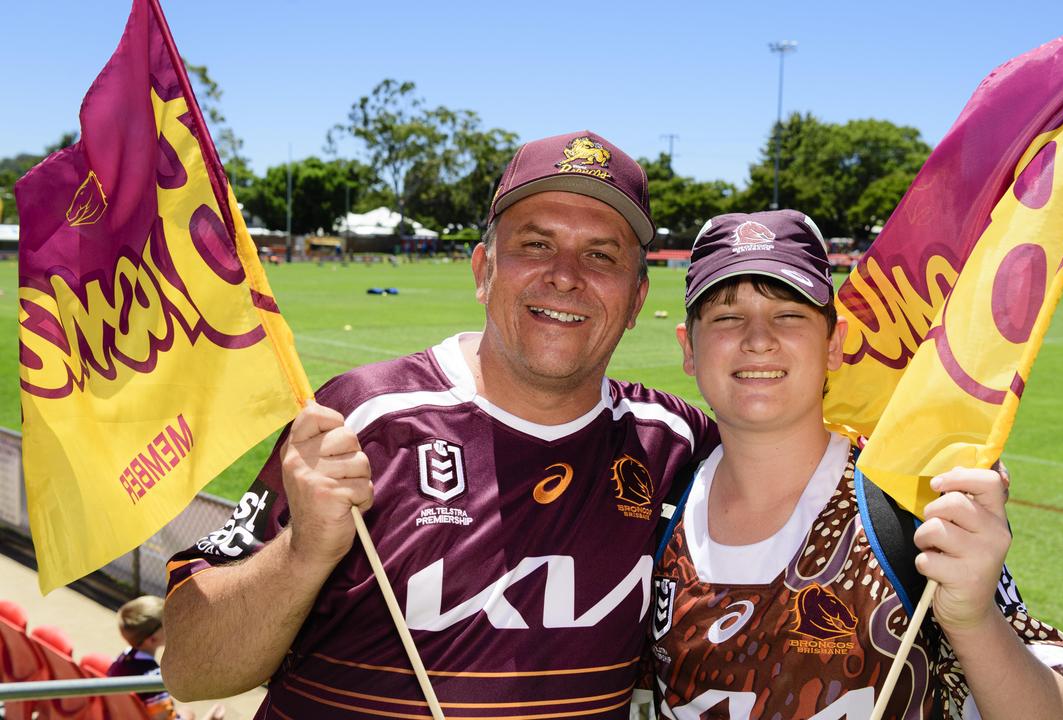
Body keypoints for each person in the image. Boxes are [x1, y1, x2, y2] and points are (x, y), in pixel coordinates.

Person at [160, 131, 719, 718]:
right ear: (483, 270)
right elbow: (191, 669)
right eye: (535, 244)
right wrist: (302, 553)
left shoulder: (673, 441)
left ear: (637, 299)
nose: (565, 275)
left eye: (601, 255)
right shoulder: (363, 417)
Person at [645, 210, 1063, 719]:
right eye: (726, 317)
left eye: (789, 314)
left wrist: (973, 621)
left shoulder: (908, 504)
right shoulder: (657, 506)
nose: (758, 338)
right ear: (689, 348)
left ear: (834, 344)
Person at [108, 595, 225, 720]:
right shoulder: (152, 678)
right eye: (168, 622)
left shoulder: (123, 658)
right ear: (153, 639)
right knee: (188, 713)